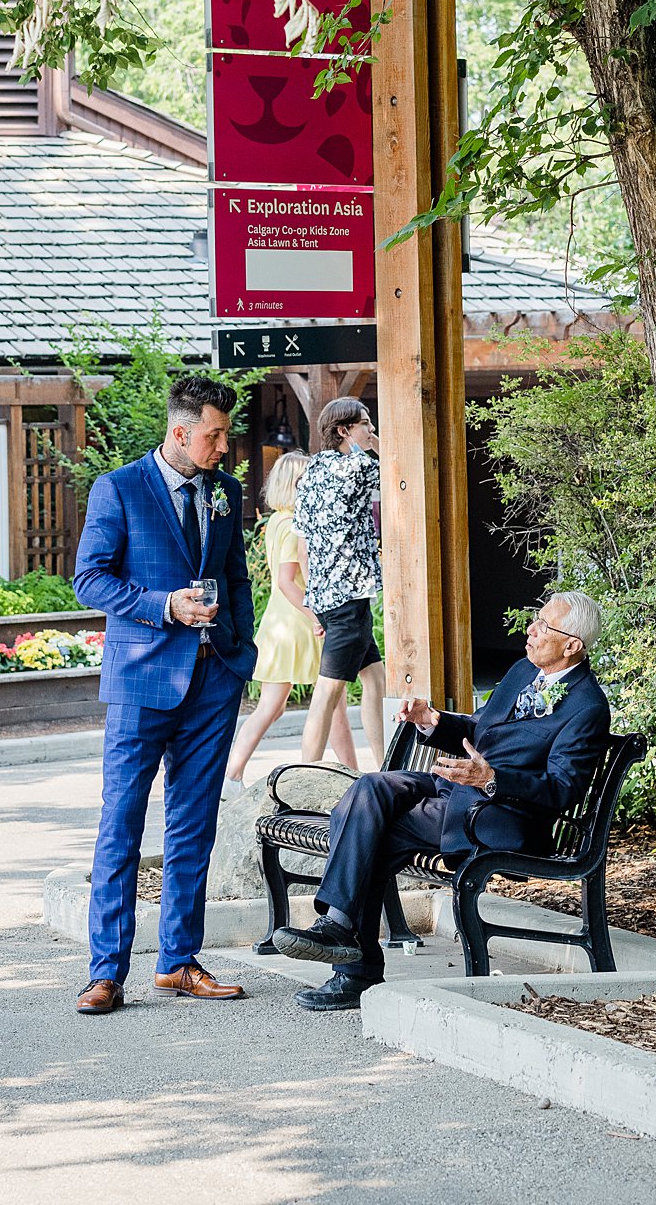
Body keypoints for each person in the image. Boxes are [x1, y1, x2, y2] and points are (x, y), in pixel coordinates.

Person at [274, 591, 610, 1011]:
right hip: (459, 791)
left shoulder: (587, 706)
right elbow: (481, 727)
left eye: (544, 626)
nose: (531, 630)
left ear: (572, 645)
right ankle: (340, 929)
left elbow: (563, 789)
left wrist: (492, 779)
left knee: (375, 830)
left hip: (498, 812)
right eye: (535, 620)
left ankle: (350, 962)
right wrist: (433, 721)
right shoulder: (525, 669)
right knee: (370, 788)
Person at [72, 374, 257, 1014]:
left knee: (193, 826)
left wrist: (241, 655)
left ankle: (178, 962)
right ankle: (106, 972)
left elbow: (236, 581)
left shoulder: (226, 493)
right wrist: (163, 607)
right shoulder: (118, 488)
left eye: (226, 434)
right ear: (181, 432)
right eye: (214, 434)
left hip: (214, 681)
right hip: (141, 680)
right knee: (120, 826)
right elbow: (89, 580)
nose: (224, 446)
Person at [222, 450, 357, 793]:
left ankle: (232, 774)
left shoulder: (276, 521)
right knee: (331, 702)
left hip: (280, 622)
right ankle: (355, 776)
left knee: (277, 706)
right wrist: (316, 616)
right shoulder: (295, 525)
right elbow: (286, 580)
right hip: (299, 623)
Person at [295, 397, 387, 769]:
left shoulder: (312, 470)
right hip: (350, 598)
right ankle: (300, 779)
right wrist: (378, 445)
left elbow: (302, 543)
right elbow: (402, 468)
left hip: (328, 596)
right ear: (343, 431)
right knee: (327, 692)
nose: (372, 430)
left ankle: (384, 765)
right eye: (365, 424)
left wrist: (312, 600)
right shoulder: (358, 468)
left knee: (375, 678)